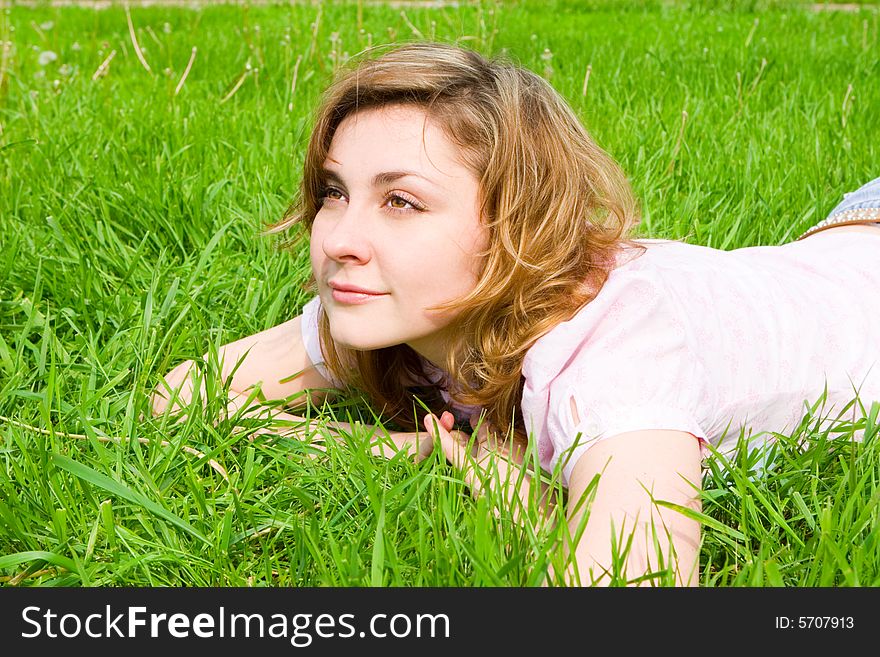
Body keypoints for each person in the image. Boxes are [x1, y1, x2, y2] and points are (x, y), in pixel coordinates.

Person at [150, 42, 880, 587]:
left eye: (401, 201)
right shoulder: (391, 300)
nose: (339, 239)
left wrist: (516, 499)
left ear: (514, 229)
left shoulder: (617, 344)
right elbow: (185, 397)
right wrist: (413, 451)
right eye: (336, 191)